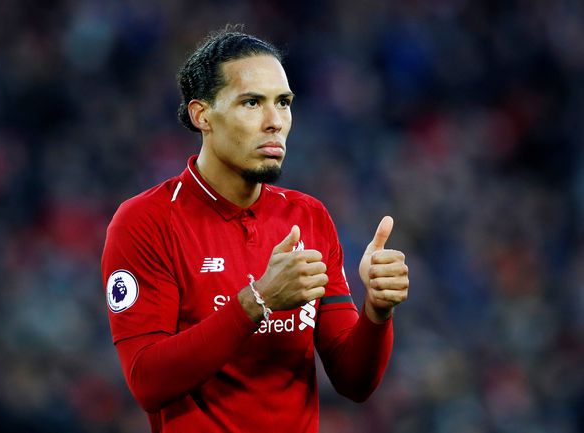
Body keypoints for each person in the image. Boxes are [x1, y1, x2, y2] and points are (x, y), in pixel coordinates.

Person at [101, 25, 409, 433]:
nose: (274, 121)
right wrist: (257, 301)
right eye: (251, 103)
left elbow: (354, 382)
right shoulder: (146, 221)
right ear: (202, 115)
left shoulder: (308, 216)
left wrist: (377, 311)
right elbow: (147, 381)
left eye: (283, 103)